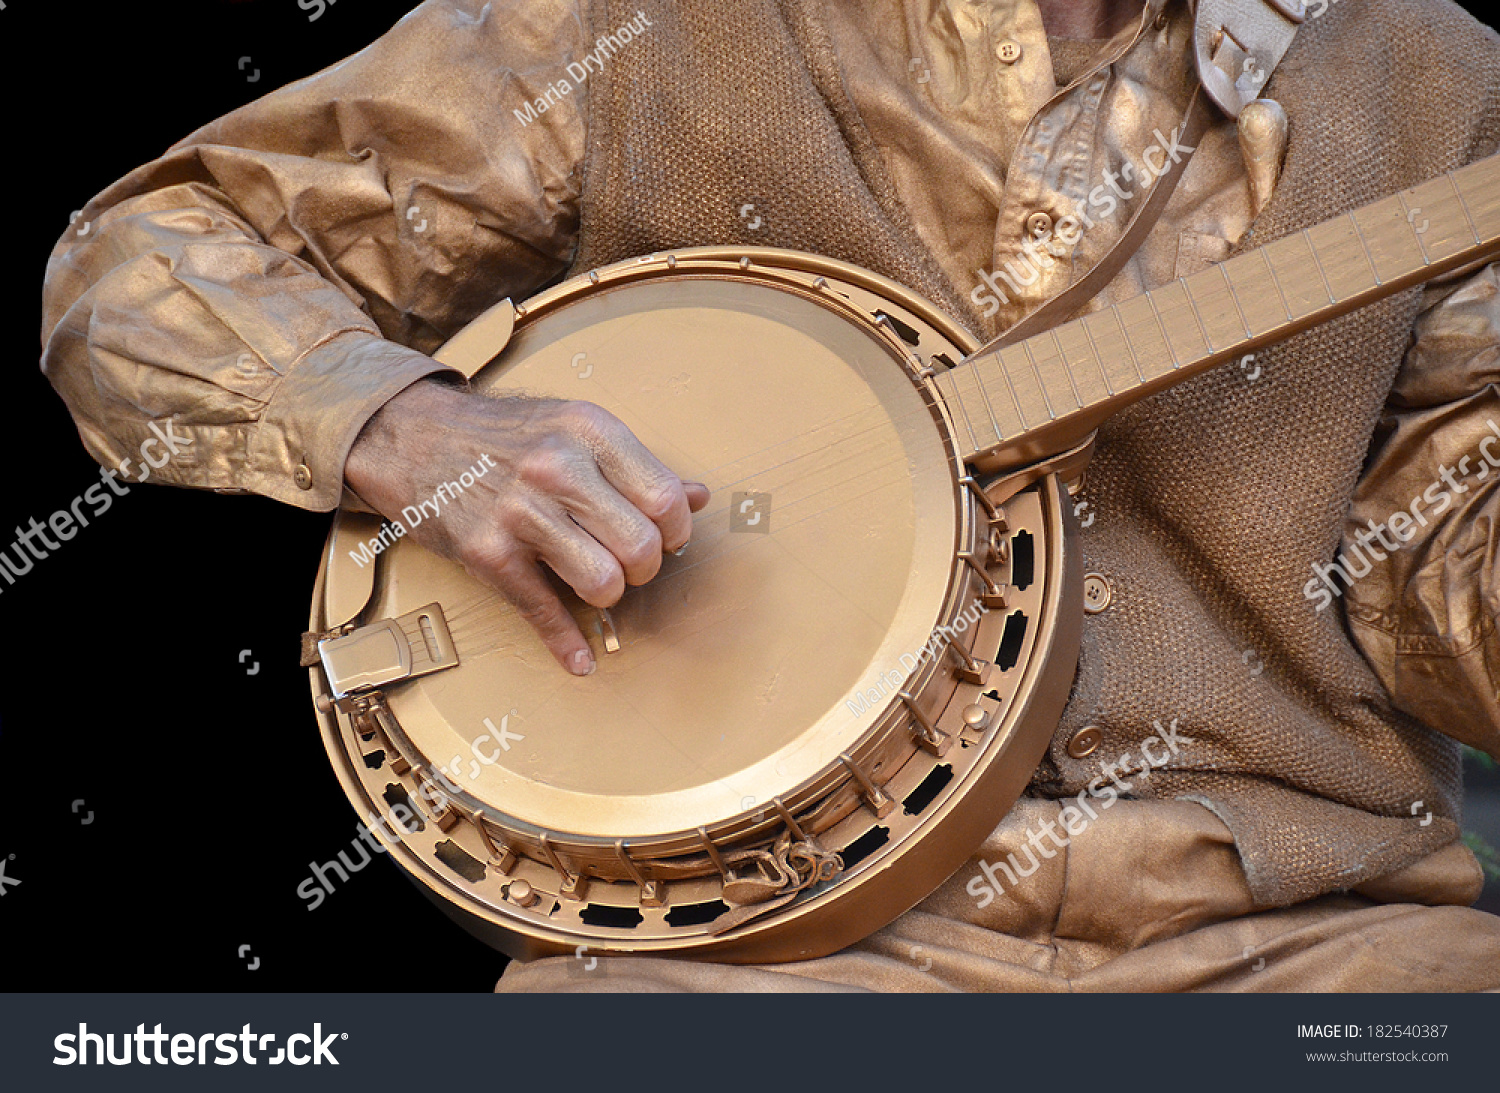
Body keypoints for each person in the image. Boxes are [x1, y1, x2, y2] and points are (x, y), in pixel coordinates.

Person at [39, 0, 1500, 990]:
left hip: (1318, 942)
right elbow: (145, 257)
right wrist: (413, 431)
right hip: (747, 951)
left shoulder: (1442, 79)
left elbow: (1438, 572)